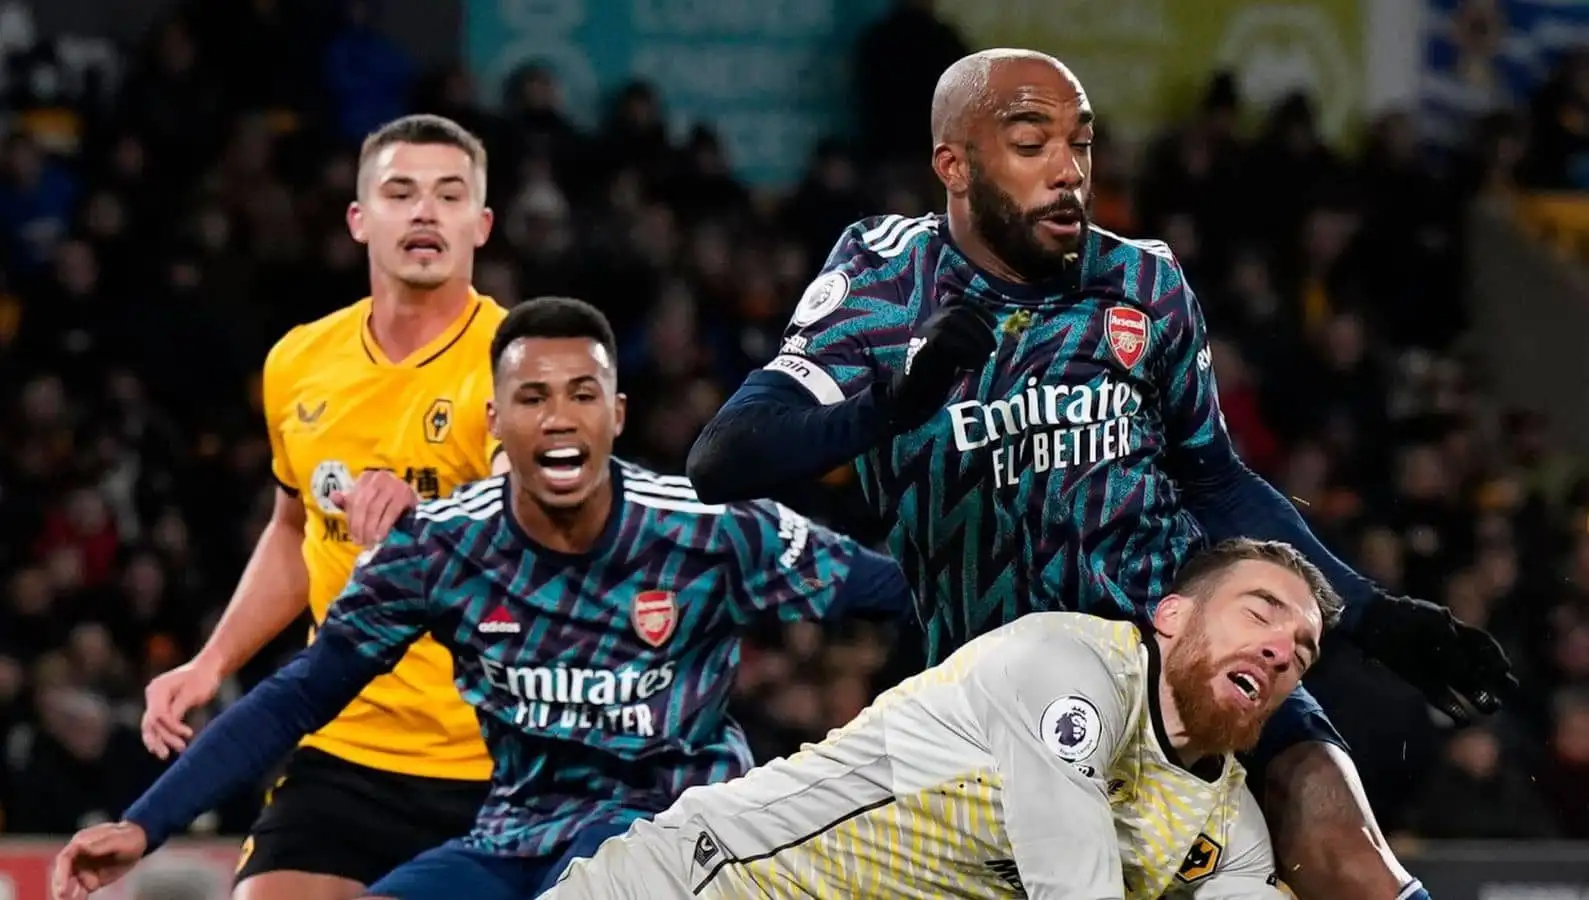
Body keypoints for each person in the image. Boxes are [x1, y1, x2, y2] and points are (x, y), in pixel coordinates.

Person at [686, 49, 1517, 900]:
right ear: (953, 164)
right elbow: (724, 459)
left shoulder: (1142, 281)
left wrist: (1375, 618)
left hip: (1184, 650)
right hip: (1010, 704)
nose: (1068, 170)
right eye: (1030, 141)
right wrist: (893, 406)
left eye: (1080, 144)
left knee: (1347, 850)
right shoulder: (885, 279)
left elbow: (1216, 480)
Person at [51, 297, 914, 900]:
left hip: (672, 830)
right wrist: (144, 824)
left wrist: (1035, 630)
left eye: (582, 396)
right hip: (514, 836)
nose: (560, 417)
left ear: (616, 414)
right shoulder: (444, 550)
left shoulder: (709, 528)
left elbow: (894, 591)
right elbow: (301, 693)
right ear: (494, 422)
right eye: (532, 398)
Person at [136, 113, 512, 900]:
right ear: (358, 219)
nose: (423, 213)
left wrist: (436, 515)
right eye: (399, 192)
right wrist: (211, 663)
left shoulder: (521, 363)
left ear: (480, 225)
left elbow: (546, 535)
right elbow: (294, 529)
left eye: (449, 196)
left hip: (497, 759)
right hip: (346, 750)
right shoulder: (300, 361)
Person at [548, 538, 1331, 899]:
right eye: (1257, 613)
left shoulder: (1227, 828)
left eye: (1300, 651)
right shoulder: (1067, 668)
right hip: (707, 883)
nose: (1277, 649)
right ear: (1170, 616)